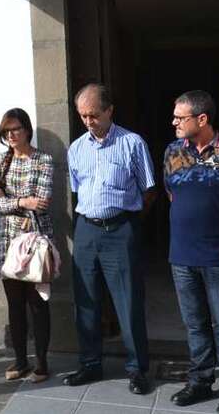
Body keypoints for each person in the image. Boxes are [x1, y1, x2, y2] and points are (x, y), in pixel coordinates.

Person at [163, 91, 219, 414]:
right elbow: (172, 194)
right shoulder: (172, 151)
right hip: (181, 254)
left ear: (202, 119)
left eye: (180, 117)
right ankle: (200, 380)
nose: (173, 122)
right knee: (194, 324)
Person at [64, 83, 155, 394]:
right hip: (86, 229)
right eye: (83, 116)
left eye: (94, 115)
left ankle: (138, 369)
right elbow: (77, 190)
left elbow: (149, 190)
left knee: (128, 300)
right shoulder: (76, 149)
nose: (88, 121)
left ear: (109, 110)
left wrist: (130, 223)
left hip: (120, 228)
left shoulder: (132, 143)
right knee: (86, 299)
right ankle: (90, 363)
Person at [0, 108, 53, 383]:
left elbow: (42, 202)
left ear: (27, 129)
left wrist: (9, 199)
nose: (11, 135)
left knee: (37, 302)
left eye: (16, 129)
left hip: (34, 238)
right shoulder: (0, 161)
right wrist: (23, 201)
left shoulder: (43, 160)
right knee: (14, 304)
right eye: (7, 131)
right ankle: (20, 360)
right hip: (7, 239)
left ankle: (42, 362)